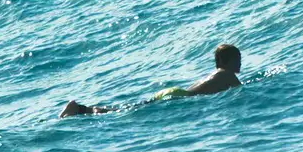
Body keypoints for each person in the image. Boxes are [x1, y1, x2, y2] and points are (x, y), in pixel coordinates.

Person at [60, 43, 243, 117]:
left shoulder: (216, 74)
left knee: (126, 110)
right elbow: (242, 92)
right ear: (231, 60)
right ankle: (79, 109)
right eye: (238, 59)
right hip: (178, 97)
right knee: (123, 113)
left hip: (173, 92)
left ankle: (82, 109)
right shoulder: (228, 75)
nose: (240, 63)